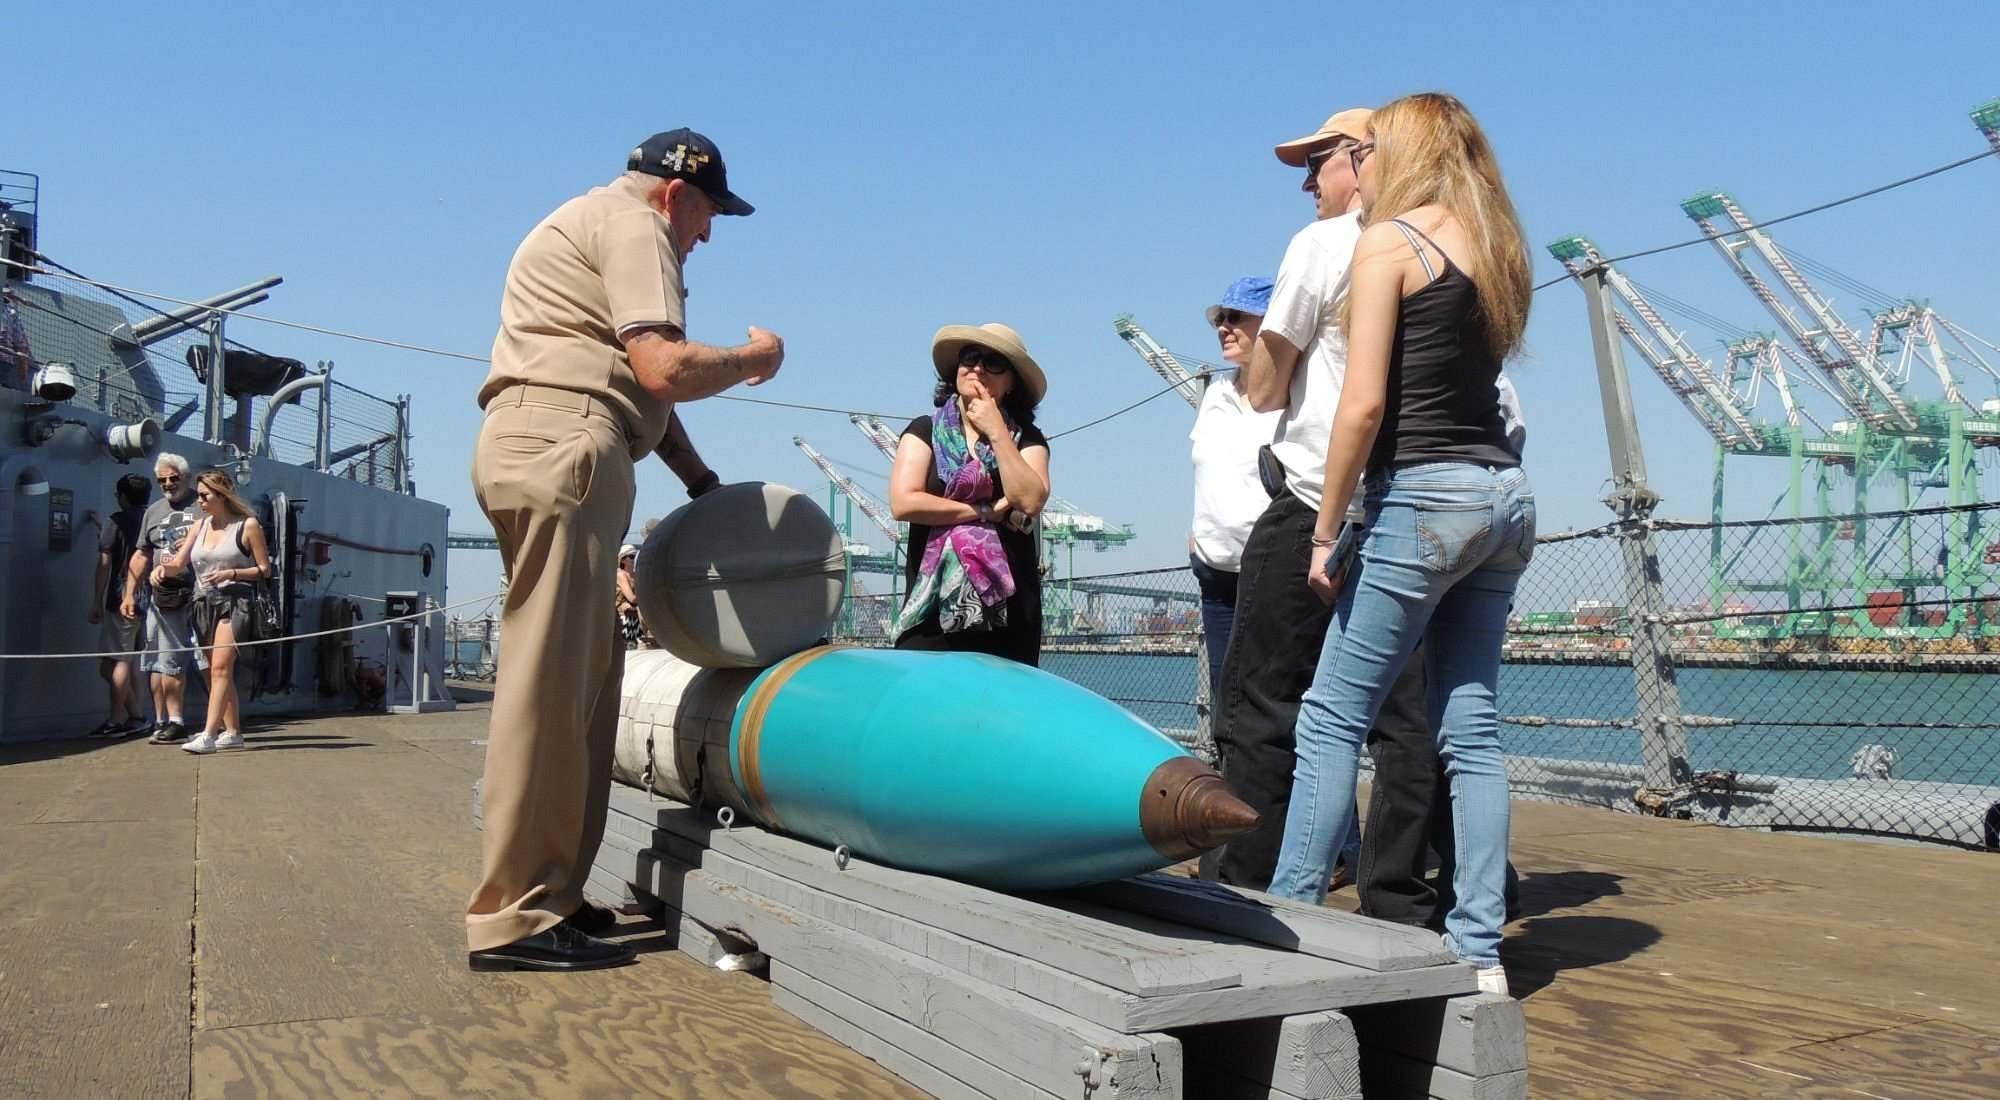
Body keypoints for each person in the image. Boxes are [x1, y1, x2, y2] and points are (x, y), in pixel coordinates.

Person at [467, 128, 781, 973]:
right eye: (710, 212)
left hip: (547, 437)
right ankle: (515, 916)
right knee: (549, 684)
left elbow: (636, 385)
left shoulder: (584, 221)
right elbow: (662, 367)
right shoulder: (637, 224)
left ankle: (555, 894)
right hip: (568, 442)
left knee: (586, 681)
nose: (707, 234)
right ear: (677, 194)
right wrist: (758, 359)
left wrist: (701, 481)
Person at [1265, 94, 1536, 997]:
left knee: (1332, 714)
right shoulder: (1498, 249)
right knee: (1472, 727)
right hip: (1504, 499)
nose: (1360, 162)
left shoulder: (1389, 244)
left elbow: (1365, 405)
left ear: (1405, 150)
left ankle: (1290, 921)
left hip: (1422, 493)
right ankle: (1479, 949)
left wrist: (1326, 527)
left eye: (1370, 147)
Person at [1209, 107, 1375, 890]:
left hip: (1312, 496)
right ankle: (1408, 899)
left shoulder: (1323, 244)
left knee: (1259, 705)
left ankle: (1244, 889)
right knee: (1412, 722)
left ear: (1362, 157)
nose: (1309, 181)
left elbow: (1266, 389)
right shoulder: (1439, 243)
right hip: (1400, 505)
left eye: (1320, 163)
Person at [890, 323, 1051, 666]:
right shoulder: (924, 430)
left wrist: (996, 431)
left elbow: (1031, 499)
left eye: (994, 362)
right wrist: (983, 510)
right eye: (970, 357)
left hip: (1009, 614)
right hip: (930, 611)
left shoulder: (1027, 439)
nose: (977, 367)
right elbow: (904, 501)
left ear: (1012, 384)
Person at [158, 470, 272, 754]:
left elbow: (264, 569)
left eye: (205, 496)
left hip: (235, 602)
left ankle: (209, 734)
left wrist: (232, 572)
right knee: (218, 670)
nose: (200, 501)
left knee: (220, 667)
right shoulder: (200, 526)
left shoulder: (248, 525)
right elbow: (180, 563)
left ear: (222, 496)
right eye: (199, 495)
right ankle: (232, 732)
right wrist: (162, 570)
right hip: (202, 603)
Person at [122, 453, 207, 744]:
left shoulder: (203, 505)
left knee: (207, 661)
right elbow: (142, 552)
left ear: (186, 476)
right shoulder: (154, 511)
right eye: (162, 481)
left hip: (199, 593)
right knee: (156, 661)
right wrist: (129, 593)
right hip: (162, 596)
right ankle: (163, 721)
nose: (168, 484)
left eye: (174, 478)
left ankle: (194, 721)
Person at [86, 473, 152, 738]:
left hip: (122, 600)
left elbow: (105, 563)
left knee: (114, 662)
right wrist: (102, 526)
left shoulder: (117, 522)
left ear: (123, 496)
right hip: (147, 600)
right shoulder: (150, 521)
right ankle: (137, 715)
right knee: (131, 661)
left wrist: (96, 602)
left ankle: (119, 719)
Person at [615, 544, 647, 649]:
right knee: (628, 647)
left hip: (635, 616)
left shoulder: (634, 574)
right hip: (625, 617)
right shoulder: (621, 575)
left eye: (635, 556)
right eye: (631, 557)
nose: (634, 559)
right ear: (623, 560)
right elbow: (631, 598)